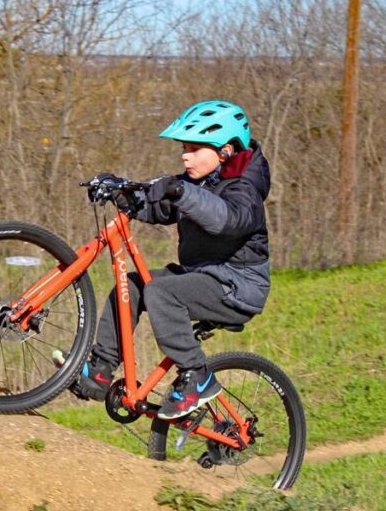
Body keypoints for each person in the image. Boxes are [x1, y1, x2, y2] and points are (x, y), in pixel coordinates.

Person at [71, 100, 272, 420]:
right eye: (184, 148)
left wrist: (180, 192)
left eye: (194, 149)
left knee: (161, 292)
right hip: (201, 275)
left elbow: (225, 218)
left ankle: (198, 376)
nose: (185, 156)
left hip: (237, 286)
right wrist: (123, 194)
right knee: (131, 286)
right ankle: (100, 369)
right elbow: (160, 206)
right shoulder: (198, 181)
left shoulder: (245, 190)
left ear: (226, 152)